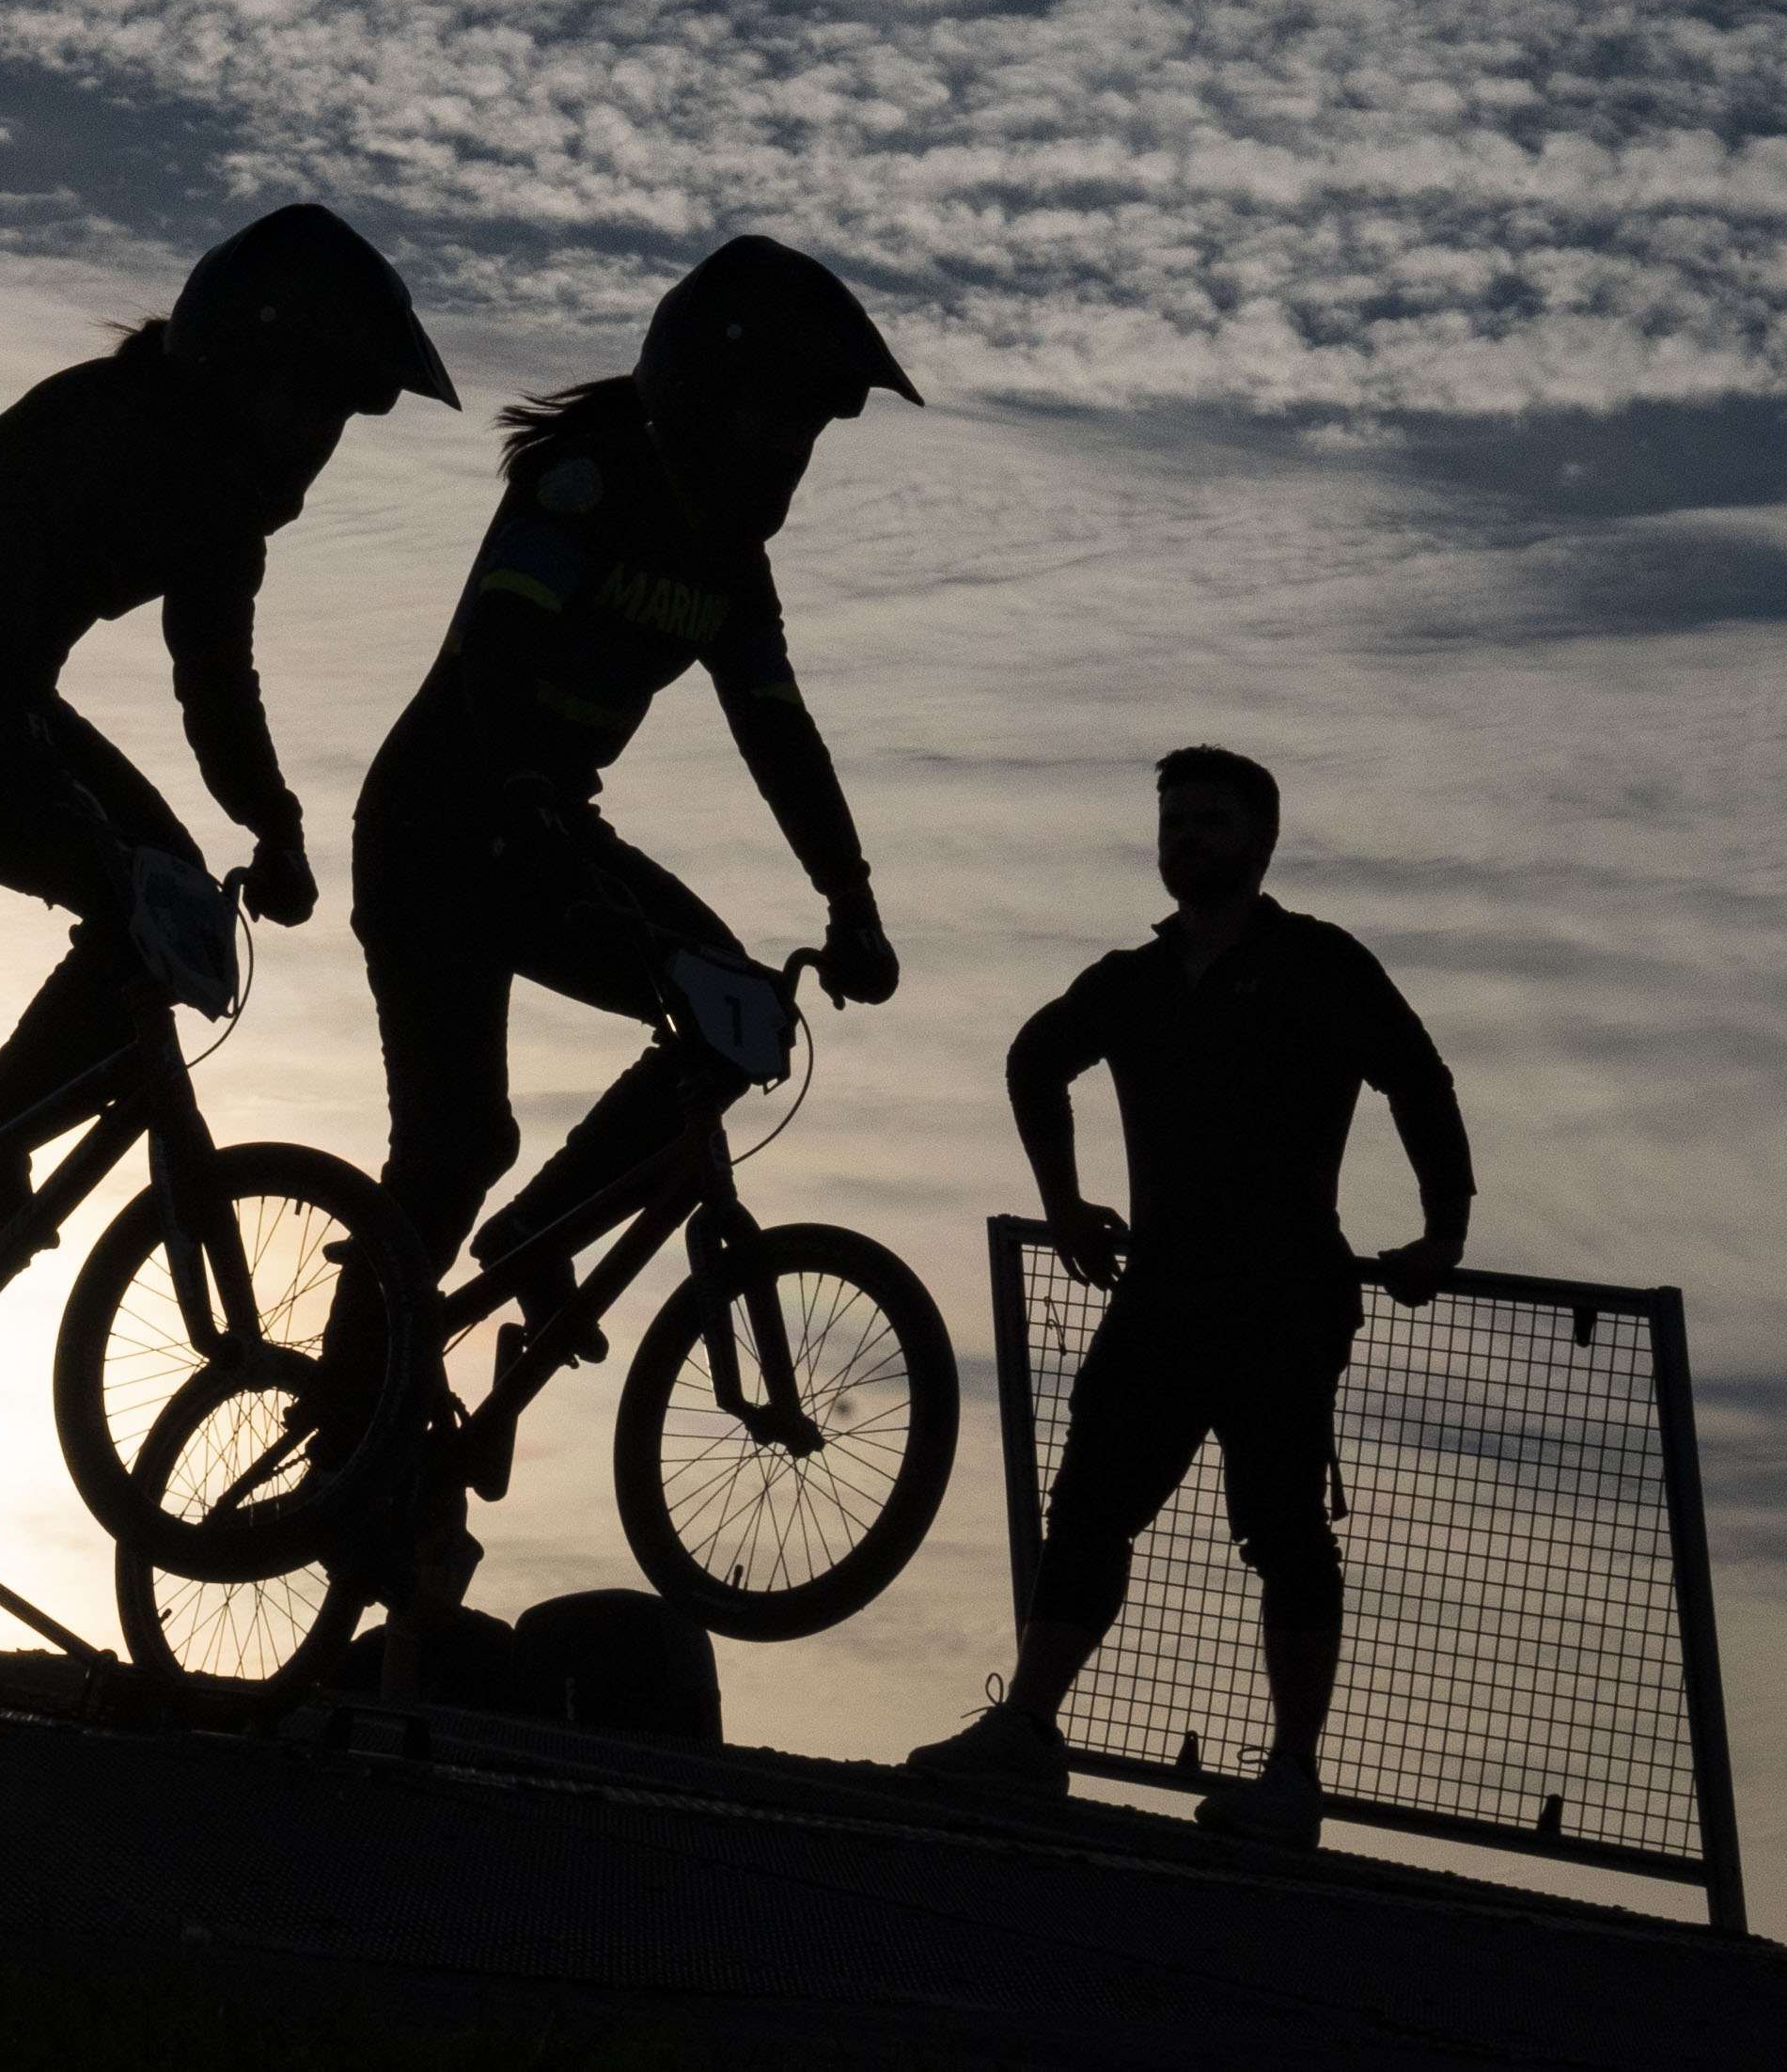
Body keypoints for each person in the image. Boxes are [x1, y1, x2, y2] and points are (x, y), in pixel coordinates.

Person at [0, 203, 461, 1339]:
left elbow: (215, 679)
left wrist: (272, 825)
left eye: (337, 418)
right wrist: (34, 764)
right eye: (313, 401)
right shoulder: (100, 420)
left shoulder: (226, 508)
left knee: (165, 886)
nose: (318, 440)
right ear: (242, 366)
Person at [353, 237, 911, 1393]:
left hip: (547, 828)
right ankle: (349, 1400)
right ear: (708, 399)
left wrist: (849, 892)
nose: (792, 456)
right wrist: (514, 783)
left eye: (811, 434)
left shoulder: (732, 567)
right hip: (435, 831)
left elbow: (778, 733)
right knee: (455, 1144)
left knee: (742, 1012)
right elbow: (497, 648)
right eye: (781, 421)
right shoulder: (583, 485)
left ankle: (531, 1238)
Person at [905, 747, 1475, 1848]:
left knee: (1281, 1526)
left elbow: (1418, 1077)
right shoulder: (1134, 976)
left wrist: (1443, 1231)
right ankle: (1026, 1725)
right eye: (1171, 823)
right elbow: (1033, 1061)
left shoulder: (1319, 961)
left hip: (1284, 1294)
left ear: (1262, 839)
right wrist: (1063, 1204)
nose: (1185, 840)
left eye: (1208, 821)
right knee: (1090, 1505)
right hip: (1160, 1291)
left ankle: (1292, 1777)